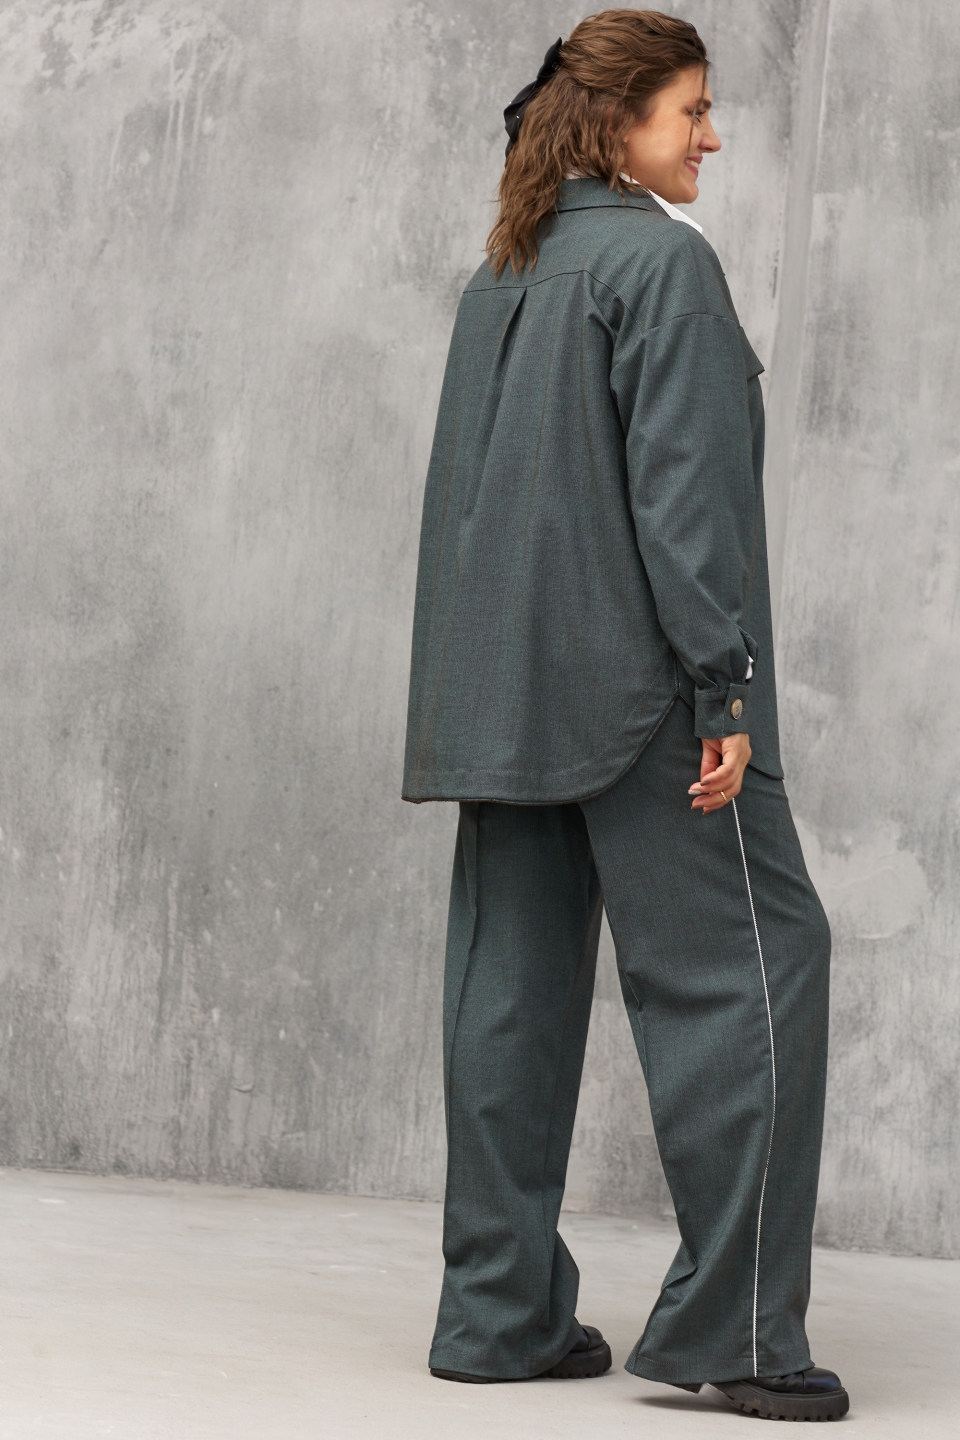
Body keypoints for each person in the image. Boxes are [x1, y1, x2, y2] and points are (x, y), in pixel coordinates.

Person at [402, 9, 849, 1424]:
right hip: (645, 693)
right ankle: (741, 1337)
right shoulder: (662, 265)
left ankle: (497, 1319)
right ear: (616, 122)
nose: (713, 134)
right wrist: (724, 686)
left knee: (511, 995)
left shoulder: (509, 266)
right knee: (758, 970)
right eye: (691, 109)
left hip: (501, 696)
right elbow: (685, 496)